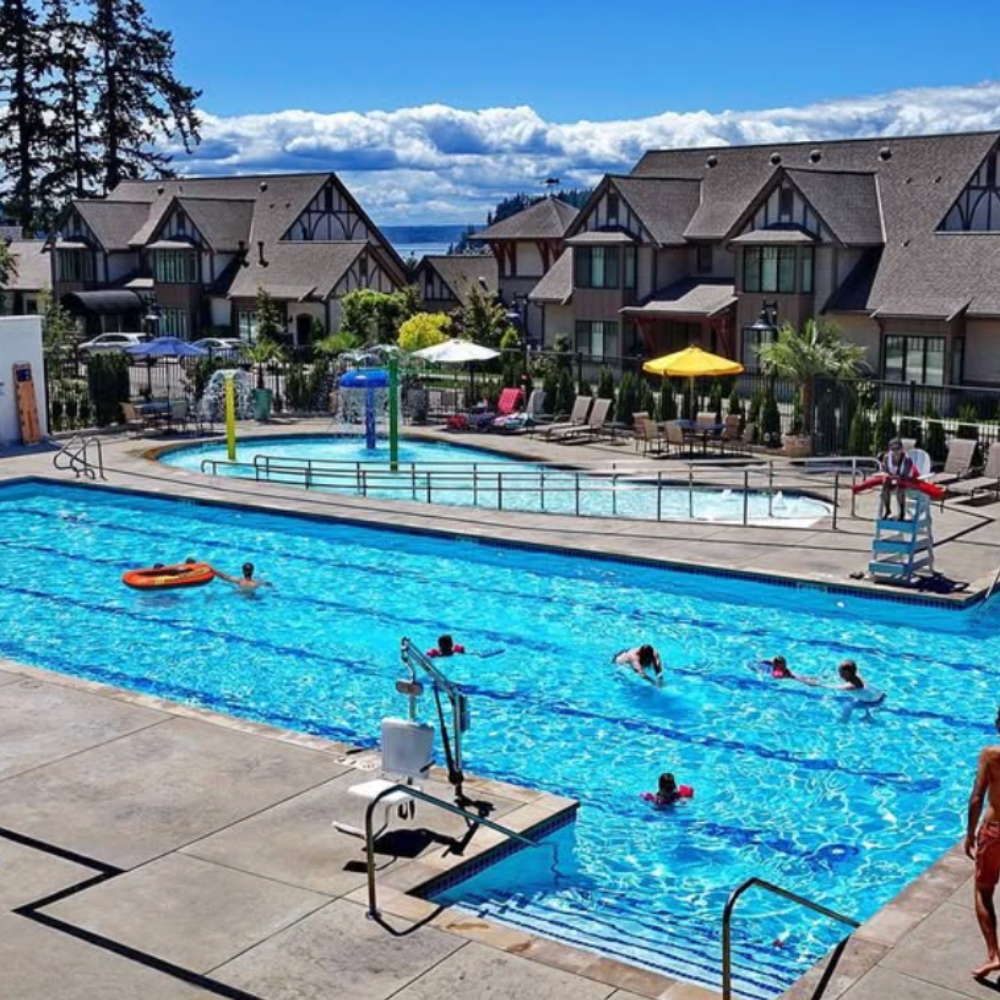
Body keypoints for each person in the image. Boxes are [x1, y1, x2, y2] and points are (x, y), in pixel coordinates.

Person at [965, 707, 1000, 980]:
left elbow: (977, 798)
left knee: (984, 891)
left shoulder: (991, 755)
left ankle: (994, 955)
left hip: (994, 831)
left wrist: (969, 833)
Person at [797, 659, 884, 720]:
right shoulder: (856, 675)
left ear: (847, 673)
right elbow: (834, 677)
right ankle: (867, 716)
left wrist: (817, 684)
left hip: (874, 702)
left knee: (848, 706)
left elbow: (833, 687)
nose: (839, 674)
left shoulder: (852, 685)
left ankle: (843, 722)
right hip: (877, 695)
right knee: (860, 698)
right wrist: (818, 678)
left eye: (841, 672)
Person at [880, 438, 914, 521]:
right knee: (885, 486)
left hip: (906, 479)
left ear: (902, 449)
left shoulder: (907, 460)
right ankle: (888, 510)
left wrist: (896, 477)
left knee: (900, 489)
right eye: (893, 449)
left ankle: (902, 512)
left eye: (897, 448)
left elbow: (905, 475)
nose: (895, 451)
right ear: (889, 450)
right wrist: (887, 475)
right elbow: (885, 471)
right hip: (893, 479)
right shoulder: (887, 458)